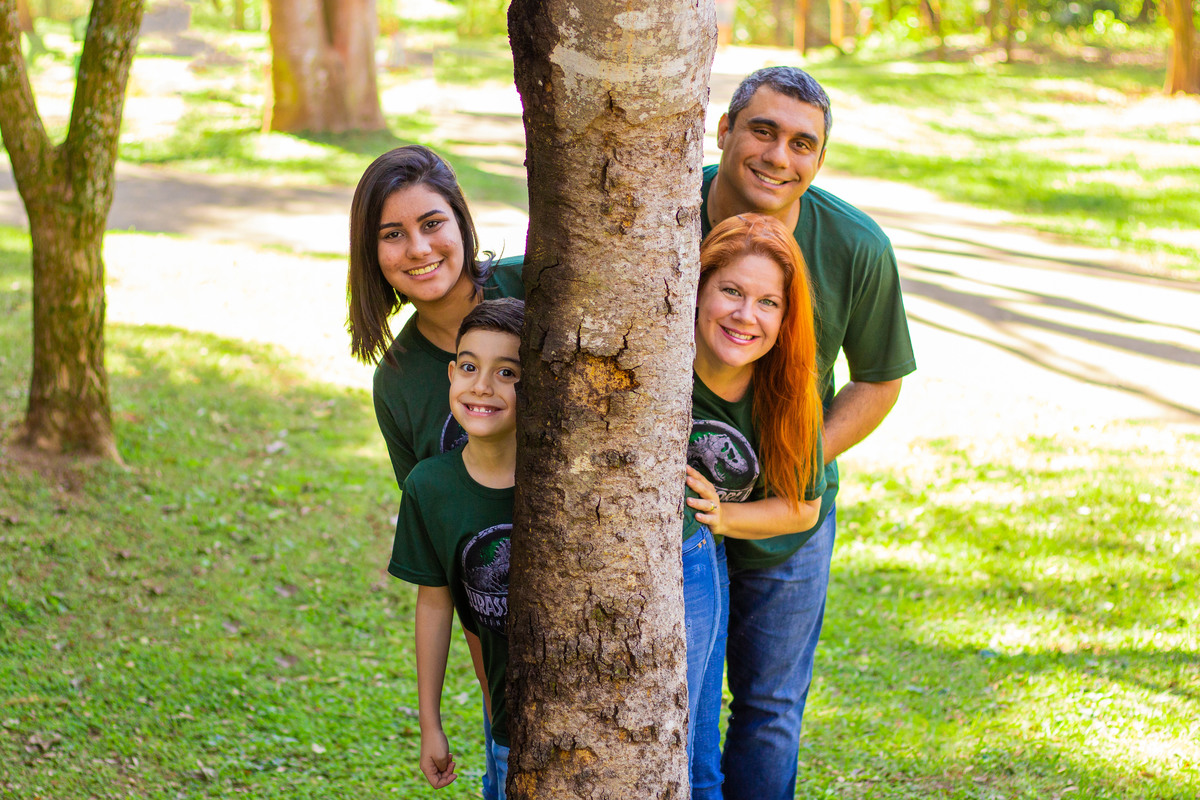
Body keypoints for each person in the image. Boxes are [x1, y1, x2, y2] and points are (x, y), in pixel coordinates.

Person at [699, 67, 917, 799]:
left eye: (803, 143)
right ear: (724, 131)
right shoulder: (658, 210)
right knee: (679, 699)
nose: (778, 157)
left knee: (767, 709)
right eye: (762, 131)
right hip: (669, 512)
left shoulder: (856, 248)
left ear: (819, 159)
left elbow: (879, 379)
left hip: (789, 519)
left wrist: (794, 461)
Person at [347, 146, 522, 800]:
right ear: (373, 256)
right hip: (499, 624)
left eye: (431, 223)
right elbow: (452, 553)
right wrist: (479, 677)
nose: (417, 247)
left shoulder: (532, 284)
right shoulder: (396, 382)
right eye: (392, 234)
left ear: (461, 223)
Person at [680, 214, 827, 798]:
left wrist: (724, 516)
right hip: (698, 559)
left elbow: (802, 507)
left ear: (786, 316)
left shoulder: (791, 384)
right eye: (731, 291)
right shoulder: (659, 361)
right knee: (691, 725)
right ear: (696, 287)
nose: (746, 316)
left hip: (773, 544)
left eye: (768, 302)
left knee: (767, 706)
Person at [387, 298, 524, 798]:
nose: (481, 386)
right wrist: (430, 723)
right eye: (469, 366)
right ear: (451, 373)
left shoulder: (560, 481)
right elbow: (435, 603)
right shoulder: (429, 486)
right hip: (504, 714)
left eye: (507, 372)